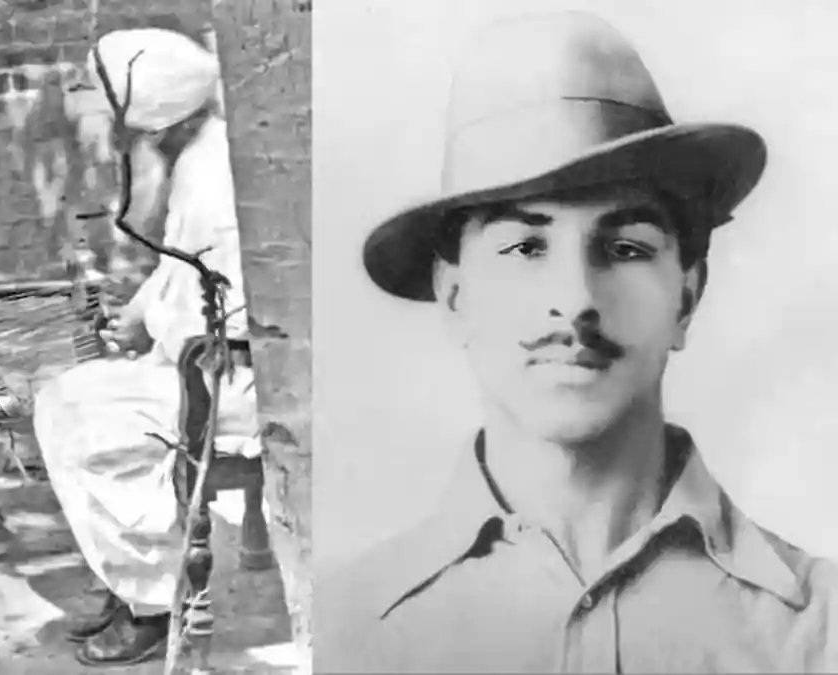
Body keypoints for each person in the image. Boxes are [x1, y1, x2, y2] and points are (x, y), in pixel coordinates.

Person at [315, 12, 838, 673]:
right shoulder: (342, 630)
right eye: (524, 246)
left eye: (625, 247)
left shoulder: (820, 629)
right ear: (455, 296)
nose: (577, 299)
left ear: (687, 294)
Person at [31, 27, 261, 667]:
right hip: (199, 363)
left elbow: (222, 316)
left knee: (94, 433)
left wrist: (153, 327)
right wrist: (141, 314)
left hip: (229, 381)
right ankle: (126, 579)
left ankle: (155, 603)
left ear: (150, 115)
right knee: (59, 400)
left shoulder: (215, 182)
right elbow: (182, 272)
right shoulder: (198, 157)